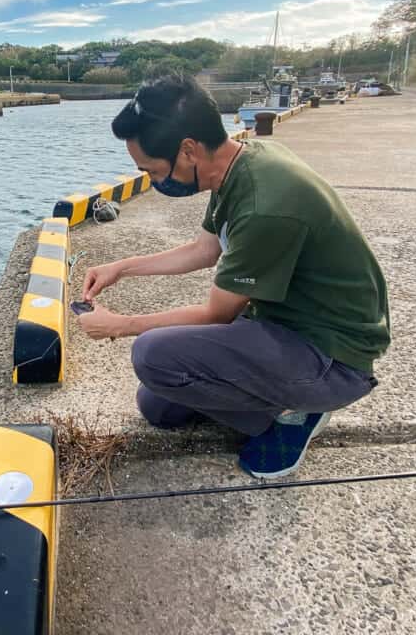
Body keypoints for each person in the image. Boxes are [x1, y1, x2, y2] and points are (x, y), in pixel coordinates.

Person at [76, 75, 390, 478]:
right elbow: (205, 248)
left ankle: (299, 414)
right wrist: (122, 267)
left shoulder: (266, 204)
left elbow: (216, 314)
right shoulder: (237, 164)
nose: (154, 182)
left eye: (152, 170)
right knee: (157, 405)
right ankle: (272, 395)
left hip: (332, 358)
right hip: (283, 322)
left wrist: (121, 326)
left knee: (152, 355)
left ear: (187, 150)